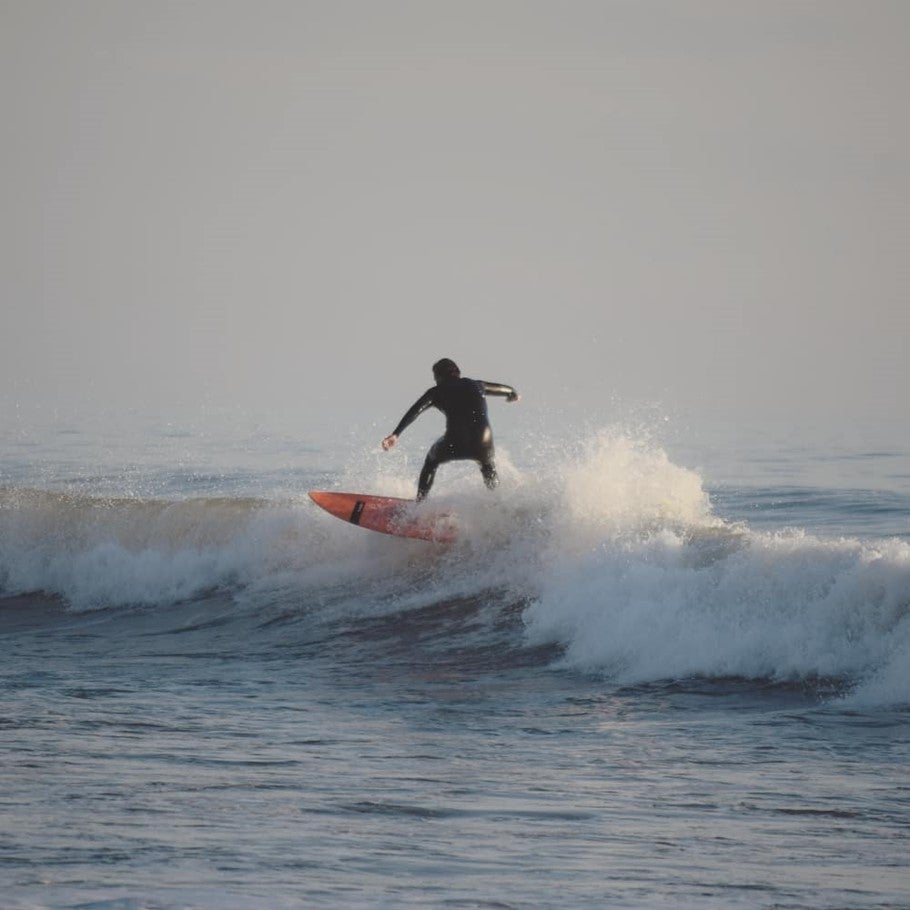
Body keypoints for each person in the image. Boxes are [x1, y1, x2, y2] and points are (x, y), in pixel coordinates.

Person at [382, 358, 520, 501]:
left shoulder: (436, 392)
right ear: (457, 373)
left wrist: (396, 434)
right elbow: (505, 389)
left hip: (455, 442)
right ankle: (499, 504)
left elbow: (414, 412)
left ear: (439, 377)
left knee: (431, 460)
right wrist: (513, 394)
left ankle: (419, 504)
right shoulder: (478, 385)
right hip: (483, 441)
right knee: (487, 465)